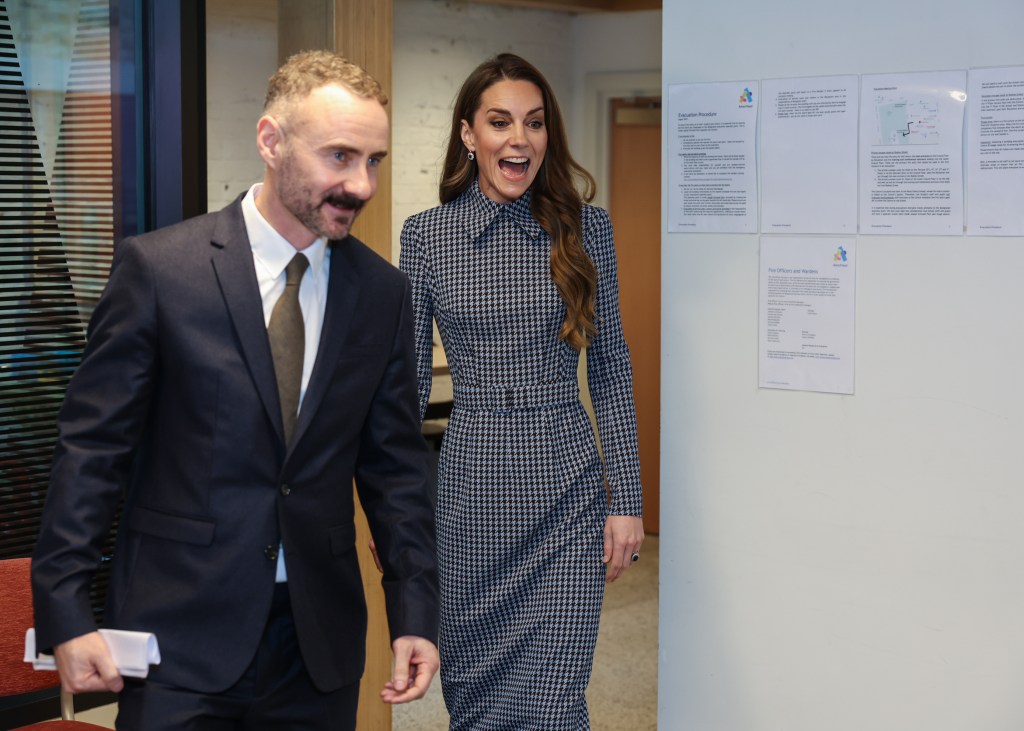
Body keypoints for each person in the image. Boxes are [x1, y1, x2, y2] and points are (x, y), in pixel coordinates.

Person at [31, 50, 439, 730]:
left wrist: (415, 611)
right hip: (180, 636)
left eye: (374, 161)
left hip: (319, 644)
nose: (362, 184)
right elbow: (91, 453)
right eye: (339, 156)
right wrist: (67, 613)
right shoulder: (161, 271)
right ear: (270, 141)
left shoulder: (382, 293)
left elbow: (395, 469)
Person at [399, 53, 644, 730]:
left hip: (567, 483)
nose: (520, 139)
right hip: (472, 486)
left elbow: (612, 364)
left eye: (534, 124)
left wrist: (627, 496)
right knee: (476, 698)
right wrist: (396, 513)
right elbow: (408, 383)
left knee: (555, 700)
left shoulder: (587, 229)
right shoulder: (427, 237)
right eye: (500, 122)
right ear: (468, 133)